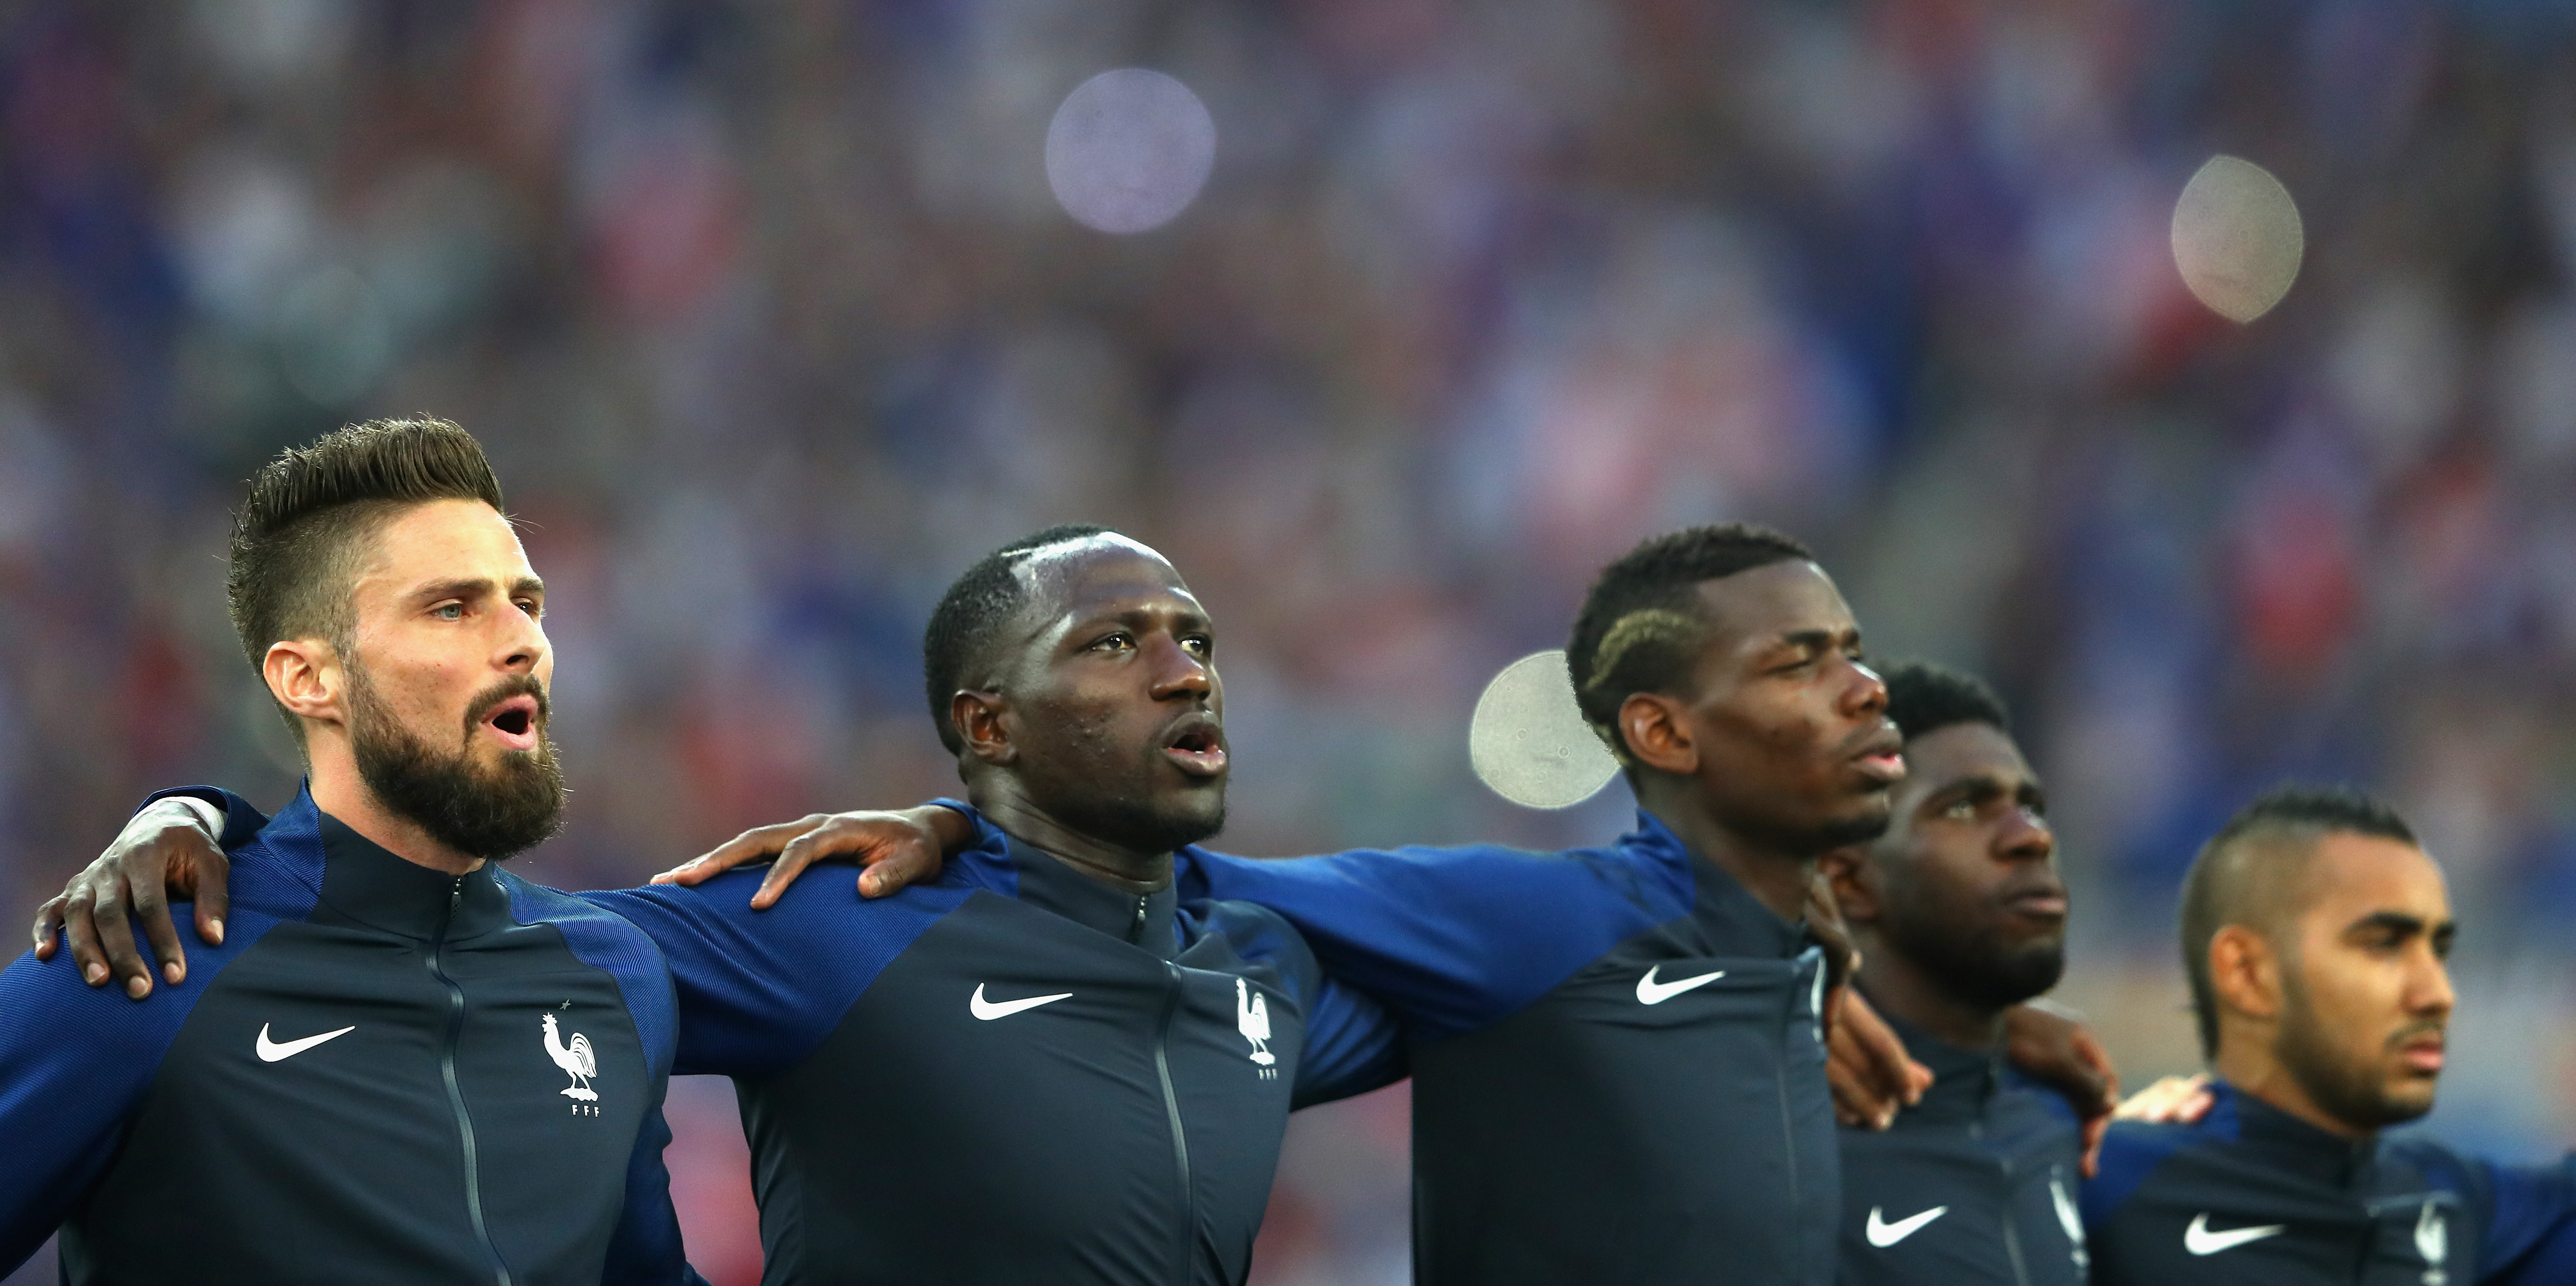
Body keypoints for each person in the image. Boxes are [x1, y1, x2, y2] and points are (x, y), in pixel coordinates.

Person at [647, 523, 2118, 1286]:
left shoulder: (1815, 1000)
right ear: (1664, 734)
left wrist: (1913, 1016)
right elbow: (1149, 886)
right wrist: (968, 823)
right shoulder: (1536, 931)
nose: (1865, 686)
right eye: (1801, 660)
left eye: (1854, 649)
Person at [40, 523, 1401, 1285]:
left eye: (1197, 643)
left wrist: (1014, 843)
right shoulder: (841, 925)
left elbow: (1542, 948)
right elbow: (464, 929)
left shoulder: (1259, 976)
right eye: (1118, 643)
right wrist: (202, 816)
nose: (1183, 672)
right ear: (987, 722)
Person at [0, 418, 699, 1284]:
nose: (524, 641)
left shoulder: (616, 971)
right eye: (452, 608)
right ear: (308, 678)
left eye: (526, 602)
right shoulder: (144, 961)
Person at [2081, 784, 2576, 1284]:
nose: (2438, 992)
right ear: (2247, 974)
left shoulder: (2460, 1205)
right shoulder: (2102, 1184)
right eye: (2383, 945)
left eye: (2439, 951)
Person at [1818, 661, 2092, 1285]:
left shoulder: (2065, 1130)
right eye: (1965, 807)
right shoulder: (1773, 1155)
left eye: (2031, 806)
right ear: (1850, 878)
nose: (2031, 838)